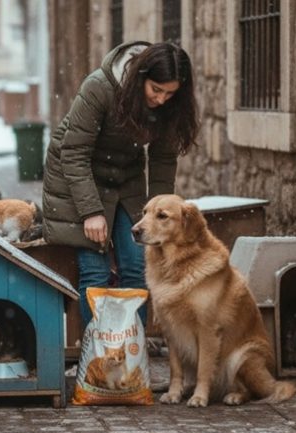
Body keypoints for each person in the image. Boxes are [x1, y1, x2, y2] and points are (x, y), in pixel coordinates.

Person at [41, 41, 199, 326]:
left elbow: (163, 159)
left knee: (137, 265)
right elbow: (74, 152)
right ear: (141, 77)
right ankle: (98, 347)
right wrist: (91, 211)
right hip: (78, 176)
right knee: (96, 271)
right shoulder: (99, 88)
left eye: (170, 93)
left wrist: (160, 215)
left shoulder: (168, 106)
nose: (162, 99)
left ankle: (132, 346)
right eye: (156, 89)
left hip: (125, 177)